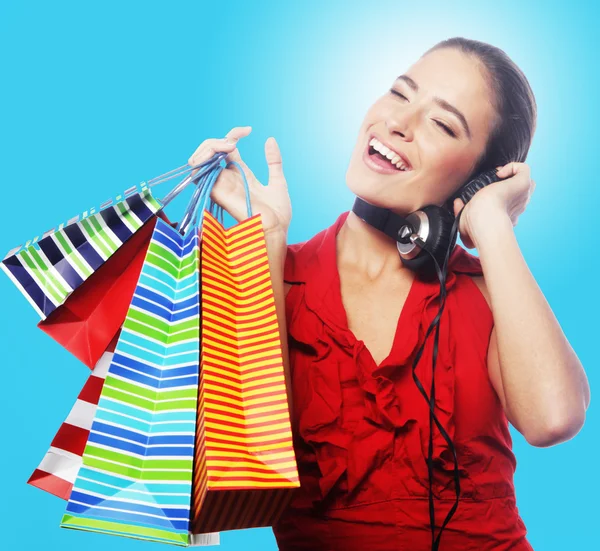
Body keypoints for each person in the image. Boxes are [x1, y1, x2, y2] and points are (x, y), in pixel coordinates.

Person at [187, 37, 590, 551]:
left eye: (443, 125)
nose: (399, 123)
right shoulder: (271, 275)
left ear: (479, 180)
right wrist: (263, 245)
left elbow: (554, 418)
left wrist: (492, 226)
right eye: (400, 93)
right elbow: (221, 489)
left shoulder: (490, 292)